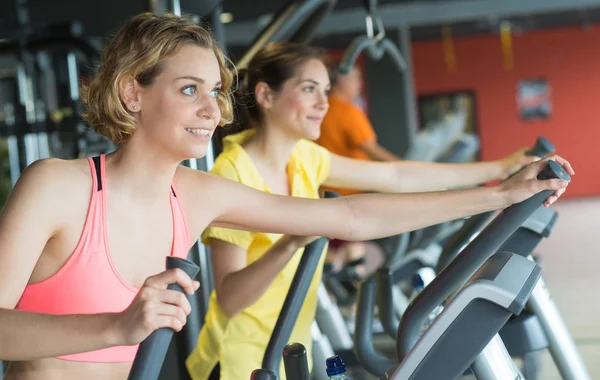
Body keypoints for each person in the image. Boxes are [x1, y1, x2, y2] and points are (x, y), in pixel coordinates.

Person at [185, 41, 573, 380]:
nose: (324, 103)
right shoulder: (232, 172)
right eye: (309, 89)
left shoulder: (305, 157)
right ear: (266, 96)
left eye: (325, 90)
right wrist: (288, 244)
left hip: (287, 344)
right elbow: (231, 298)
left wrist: (502, 170)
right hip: (239, 360)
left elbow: (395, 175)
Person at [316, 63, 402, 276]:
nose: (360, 85)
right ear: (342, 81)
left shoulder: (320, 110)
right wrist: (405, 168)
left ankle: (337, 295)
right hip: (348, 197)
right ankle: (352, 298)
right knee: (353, 255)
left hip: (322, 195)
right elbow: (372, 151)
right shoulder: (347, 112)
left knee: (333, 255)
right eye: (356, 79)